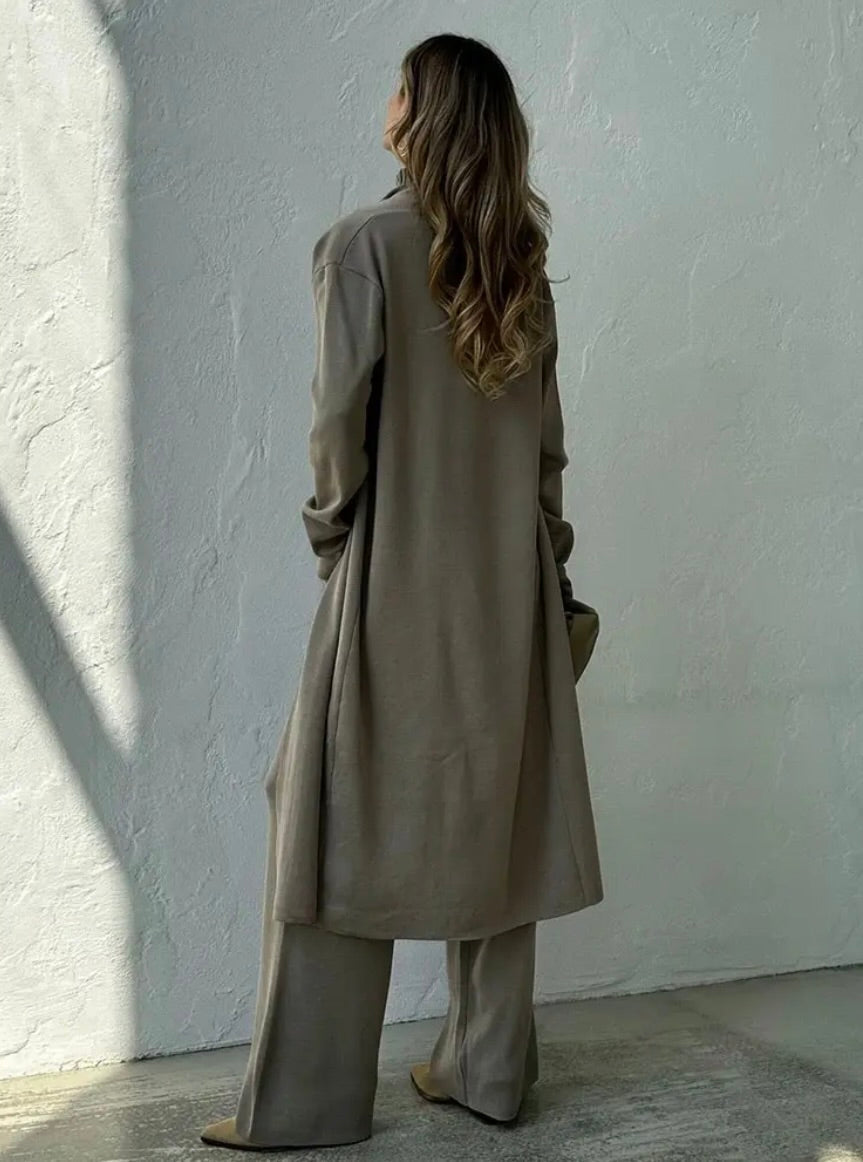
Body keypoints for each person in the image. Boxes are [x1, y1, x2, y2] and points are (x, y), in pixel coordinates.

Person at [200, 32, 604, 1151]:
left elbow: (338, 426)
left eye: (398, 85)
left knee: (326, 817)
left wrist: (334, 541)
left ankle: (307, 1102)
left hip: (391, 578)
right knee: (499, 813)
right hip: (509, 587)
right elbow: (546, 454)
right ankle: (486, 1072)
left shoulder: (362, 245)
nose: (386, 100)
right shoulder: (518, 262)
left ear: (420, 113)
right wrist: (547, 567)